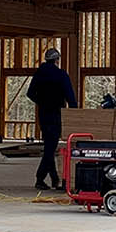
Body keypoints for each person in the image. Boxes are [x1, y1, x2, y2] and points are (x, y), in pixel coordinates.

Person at [27, 48, 79, 190]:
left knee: (49, 146)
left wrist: (42, 101)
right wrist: (75, 113)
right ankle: (40, 177)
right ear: (57, 60)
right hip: (57, 114)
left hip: (43, 114)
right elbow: (70, 96)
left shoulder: (39, 74)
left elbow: (30, 93)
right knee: (50, 147)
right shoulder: (61, 74)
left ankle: (54, 178)